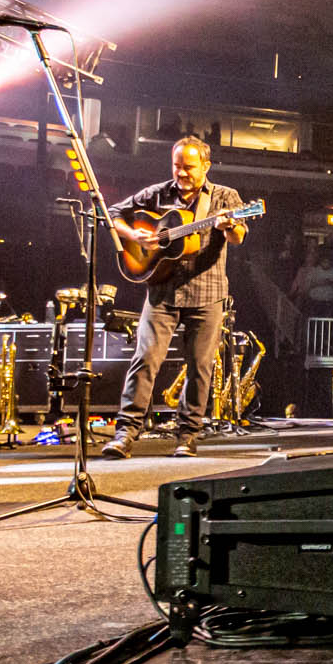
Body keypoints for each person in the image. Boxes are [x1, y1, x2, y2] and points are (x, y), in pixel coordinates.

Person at [103, 136, 249, 457]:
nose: (181, 173)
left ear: (206, 166)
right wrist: (132, 234)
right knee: (145, 360)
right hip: (162, 292)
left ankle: (187, 436)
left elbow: (238, 237)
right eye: (177, 166)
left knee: (199, 367)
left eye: (189, 167)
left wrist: (228, 226)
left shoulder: (226, 197)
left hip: (207, 293)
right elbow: (112, 212)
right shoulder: (157, 194)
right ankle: (126, 432)